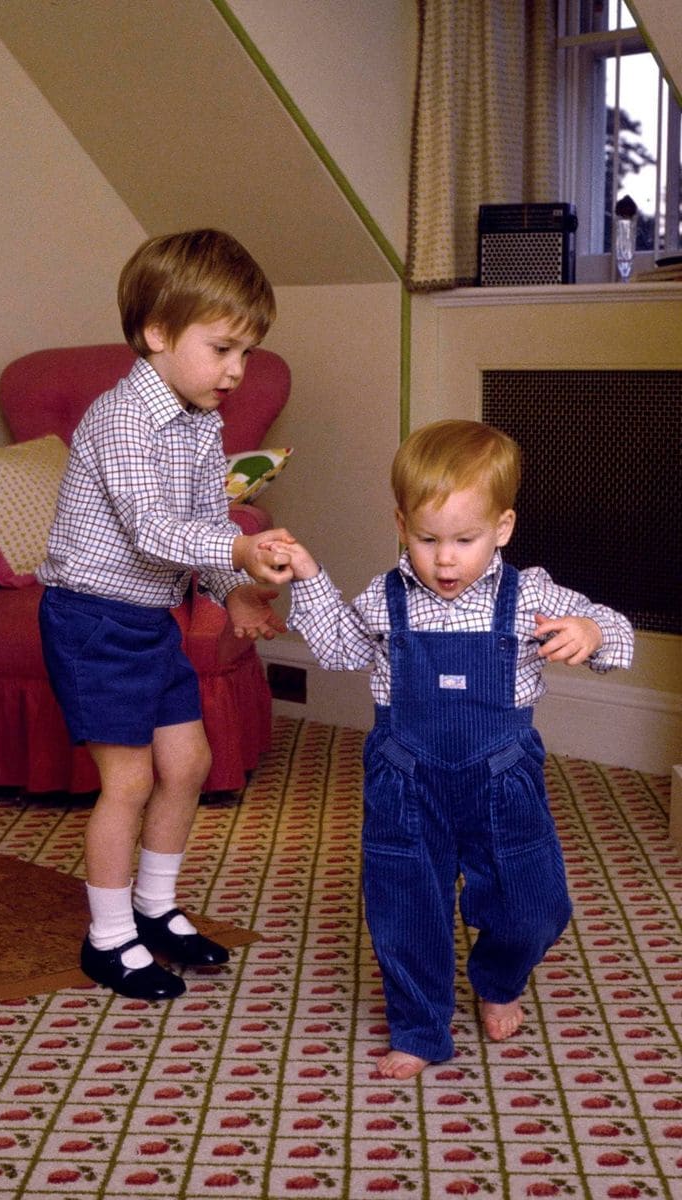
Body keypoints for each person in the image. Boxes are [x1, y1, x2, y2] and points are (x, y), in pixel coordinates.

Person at [265, 419, 634, 1079]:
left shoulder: (532, 596)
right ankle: (419, 1027)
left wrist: (590, 632)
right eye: (428, 539)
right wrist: (310, 576)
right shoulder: (385, 598)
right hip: (405, 781)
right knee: (405, 907)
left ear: (503, 527)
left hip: (504, 779)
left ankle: (497, 976)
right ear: (401, 524)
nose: (444, 560)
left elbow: (612, 626)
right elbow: (341, 648)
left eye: (464, 540)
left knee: (535, 905)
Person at [37, 229, 295, 1002]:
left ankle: (154, 910)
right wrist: (244, 549)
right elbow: (153, 528)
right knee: (130, 780)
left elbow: (191, 534)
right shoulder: (122, 420)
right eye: (222, 349)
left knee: (188, 764)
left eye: (247, 354)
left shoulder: (198, 423)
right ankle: (107, 938)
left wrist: (230, 588)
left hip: (150, 618)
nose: (237, 372)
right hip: (92, 619)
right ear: (157, 332)